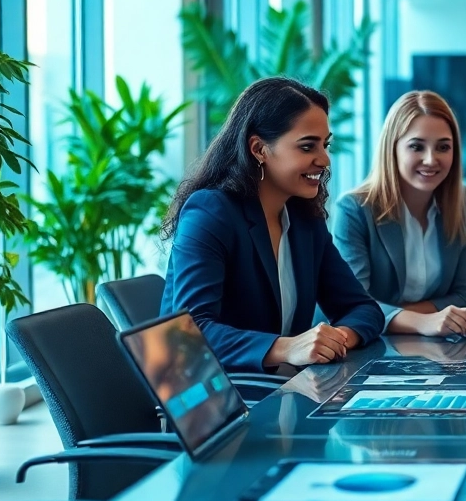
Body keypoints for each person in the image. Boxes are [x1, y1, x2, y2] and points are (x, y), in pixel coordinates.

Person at [160, 77, 384, 373]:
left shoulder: (305, 220)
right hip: (219, 392)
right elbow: (189, 333)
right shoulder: (211, 212)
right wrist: (287, 348)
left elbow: (363, 309)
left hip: (282, 388)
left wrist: (334, 340)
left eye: (325, 144)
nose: (325, 159)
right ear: (259, 149)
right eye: (307, 147)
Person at [333, 90, 466, 339]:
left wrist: (401, 316)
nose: (431, 160)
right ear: (393, 149)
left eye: (443, 147)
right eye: (416, 147)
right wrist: (422, 321)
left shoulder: (463, 203)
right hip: (366, 343)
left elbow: (464, 296)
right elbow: (353, 304)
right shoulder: (355, 209)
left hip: (437, 344)